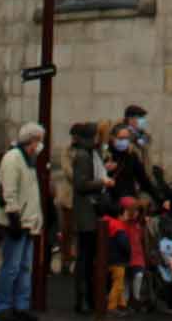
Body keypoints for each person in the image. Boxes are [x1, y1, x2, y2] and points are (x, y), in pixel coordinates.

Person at [0, 122, 46, 321]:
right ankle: (4, 306)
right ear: (31, 141)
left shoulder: (29, 160)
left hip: (28, 221)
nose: (40, 145)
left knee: (25, 266)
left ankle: (21, 305)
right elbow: (10, 191)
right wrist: (14, 216)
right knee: (12, 266)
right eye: (38, 141)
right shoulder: (13, 158)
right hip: (15, 221)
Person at [69, 122, 108, 310]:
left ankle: (89, 297)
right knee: (85, 257)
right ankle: (83, 298)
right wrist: (102, 182)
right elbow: (81, 184)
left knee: (89, 256)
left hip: (89, 212)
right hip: (86, 213)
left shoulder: (91, 154)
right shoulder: (84, 156)